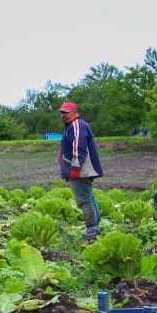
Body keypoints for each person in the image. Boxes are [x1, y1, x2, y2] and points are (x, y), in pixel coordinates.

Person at [58, 101, 102, 242]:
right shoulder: (73, 126)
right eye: (62, 113)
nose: (63, 115)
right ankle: (95, 227)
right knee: (88, 197)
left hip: (82, 170)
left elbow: (79, 147)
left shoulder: (77, 125)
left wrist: (75, 167)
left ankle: (91, 230)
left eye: (66, 112)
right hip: (82, 169)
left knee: (84, 200)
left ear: (74, 112)